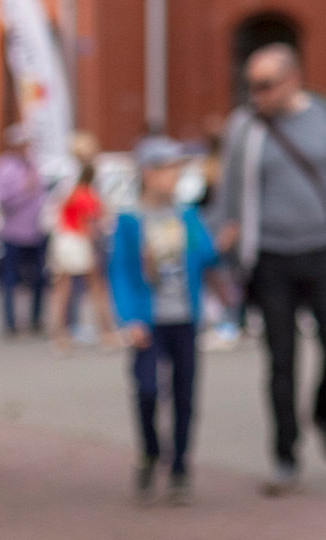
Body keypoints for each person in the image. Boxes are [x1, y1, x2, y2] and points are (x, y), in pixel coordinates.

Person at [213, 44, 326, 493]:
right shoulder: (245, 126)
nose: (256, 94)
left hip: (325, 251)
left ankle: (325, 414)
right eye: (250, 85)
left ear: (293, 79)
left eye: (265, 85)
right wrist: (222, 250)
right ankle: (285, 454)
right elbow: (229, 194)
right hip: (269, 257)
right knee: (281, 361)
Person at [107, 137, 220, 505]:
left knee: (185, 394)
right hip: (148, 319)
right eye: (166, 169)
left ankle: (180, 466)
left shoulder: (186, 214)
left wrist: (222, 243)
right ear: (148, 173)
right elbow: (119, 272)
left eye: (176, 169)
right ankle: (150, 450)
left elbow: (205, 255)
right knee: (146, 388)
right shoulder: (129, 219)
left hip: (184, 317)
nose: (172, 177)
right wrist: (129, 318)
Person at [48, 145, 109, 354]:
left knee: (62, 291)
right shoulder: (87, 196)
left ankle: (60, 338)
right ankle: (107, 334)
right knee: (97, 288)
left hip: (63, 240)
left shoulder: (71, 192)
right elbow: (92, 225)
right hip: (78, 242)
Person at [0, 128, 50, 336]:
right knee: (10, 278)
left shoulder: (34, 165)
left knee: (39, 278)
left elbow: (43, 194)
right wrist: (24, 191)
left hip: (36, 231)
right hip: (13, 232)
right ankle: (10, 323)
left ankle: (35, 319)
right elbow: (2, 200)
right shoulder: (3, 167)